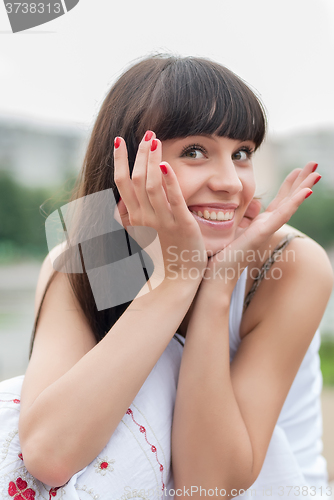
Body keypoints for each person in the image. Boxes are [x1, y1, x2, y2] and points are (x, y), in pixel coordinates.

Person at [0, 54, 333, 500]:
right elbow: (48, 455)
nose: (231, 182)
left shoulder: (287, 265)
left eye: (242, 153)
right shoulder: (92, 254)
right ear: (128, 167)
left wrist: (217, 285)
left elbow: (207, 486)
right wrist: (175, 282)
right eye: (195, 151)